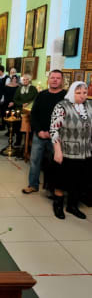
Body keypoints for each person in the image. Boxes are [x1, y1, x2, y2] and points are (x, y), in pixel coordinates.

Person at [50, 81, 92, 219]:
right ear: (72, 92)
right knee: (61, 180)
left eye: (84, 93)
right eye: (78, 92)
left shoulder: (89, 106)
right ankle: (58, 205)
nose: (82, 96)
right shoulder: (62, 106)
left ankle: (72, 206)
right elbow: (54, 130)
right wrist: (57, 150)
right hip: (67, 151)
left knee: (79, 180)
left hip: (85, 152)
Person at [22, 70, 66, 194]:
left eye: (58, 78)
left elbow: (67, 118)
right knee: (35, 161)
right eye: (53, 77)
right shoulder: (41, 95)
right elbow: (34, 114)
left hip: (57, 137)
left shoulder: (66, 96)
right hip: (40, 134)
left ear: (62, 80)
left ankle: (53, 188)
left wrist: (53, 133)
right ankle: (33, 184)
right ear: (48, 80)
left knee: (55, 163)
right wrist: (39, 130)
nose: (55, 80)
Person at [11, 74, 38, 146]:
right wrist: (22, 104)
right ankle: (18, 140)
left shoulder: (33, 89)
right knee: (18, 127)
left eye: (27, 79)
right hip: (19, 110)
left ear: (29, 80)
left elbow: (35, 99)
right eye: (24, 80)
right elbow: (15, 99)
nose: (25, 81)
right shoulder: (19, 88)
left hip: (29, 111)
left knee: (29, 128)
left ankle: (28, 142)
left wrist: (28, 104)